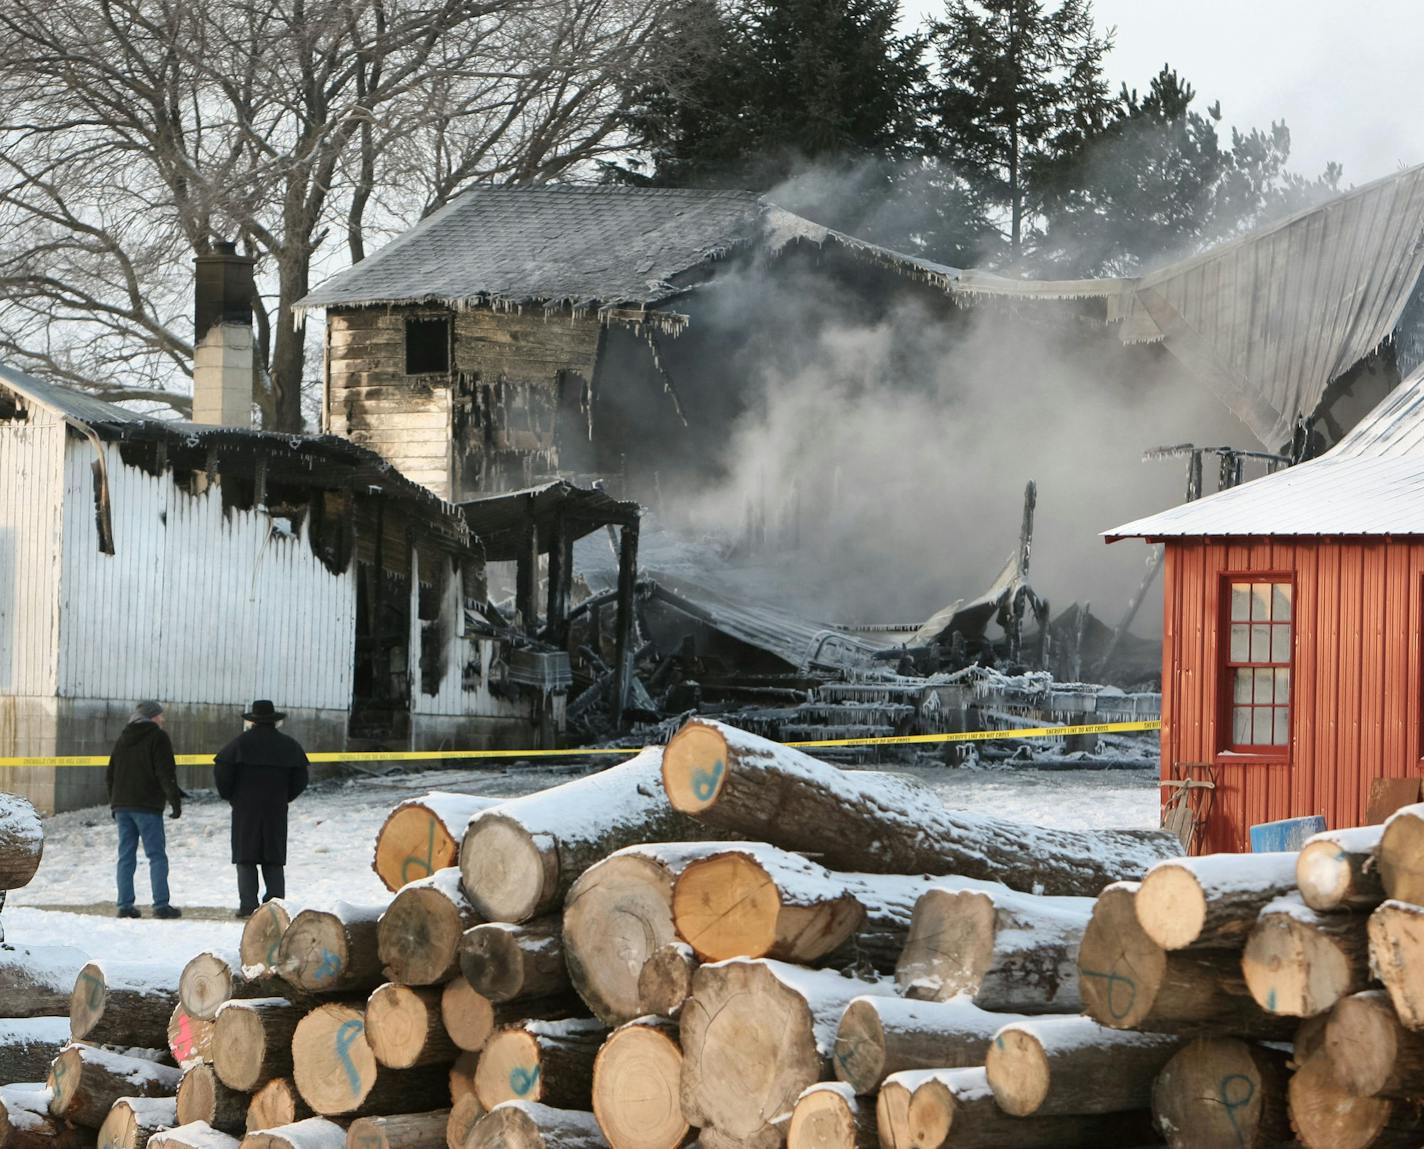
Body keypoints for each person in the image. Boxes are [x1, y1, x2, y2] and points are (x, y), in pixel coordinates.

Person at [214, 699, 309, 918]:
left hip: (245, 808)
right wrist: (284, 796)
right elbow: (301, 778)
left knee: (245, 856)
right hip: (275, 808)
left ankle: (248, 905)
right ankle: (276, 905)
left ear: (253, 721)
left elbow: (222, 771)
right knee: (273, 857)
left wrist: (231, 795)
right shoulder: (289, 745)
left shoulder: (239, 744)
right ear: (274, 721)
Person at [106, 700, 183, 919]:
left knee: (126, 856)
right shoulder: (158, 737)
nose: (163, 719)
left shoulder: (123, 738)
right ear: (151, 717)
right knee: (157, 855)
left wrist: (114, 802)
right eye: (160, 715)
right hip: (147, 806)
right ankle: (160, 905)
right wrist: (175, 801)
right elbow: (165, 772)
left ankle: (124, 905)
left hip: (123, 806)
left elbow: (110, 774)